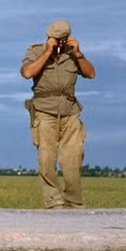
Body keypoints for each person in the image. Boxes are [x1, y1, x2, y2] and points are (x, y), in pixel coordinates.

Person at [20, 19, 96, 209]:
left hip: (70, 112)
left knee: (73, 159)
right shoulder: (36, 50)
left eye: (64, 39)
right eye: (56, 39)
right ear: (49, 36)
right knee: (46, 160)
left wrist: (78, 54)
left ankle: (74, 202)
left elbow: (91, 74)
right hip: (44, 112)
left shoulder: (73, 54)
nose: (60, 42)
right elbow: (27, 73)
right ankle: (54, 203)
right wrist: (47, 52)